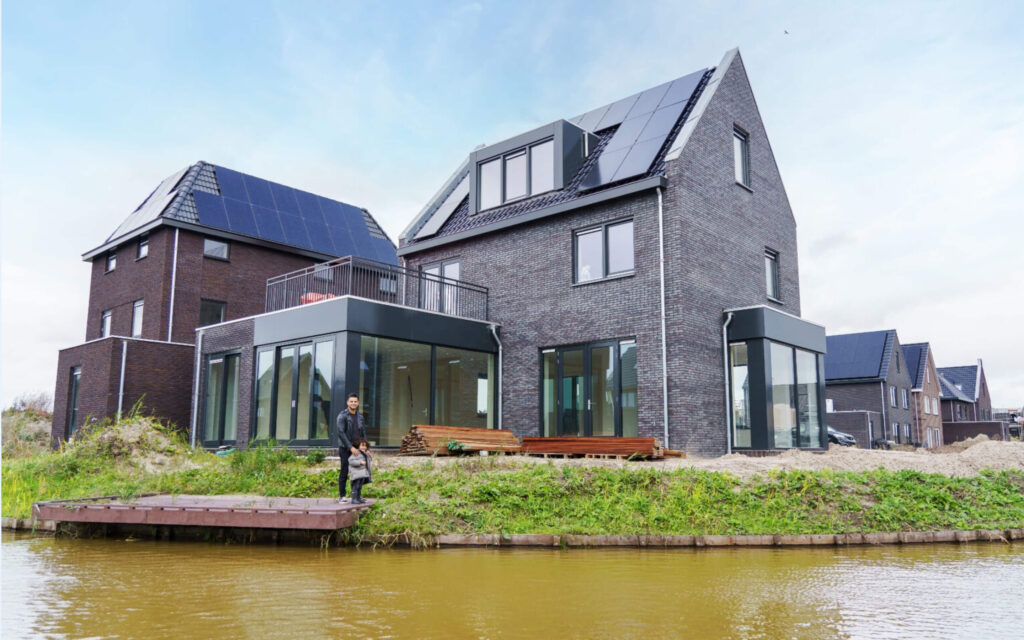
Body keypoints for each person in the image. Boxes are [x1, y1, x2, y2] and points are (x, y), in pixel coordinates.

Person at [336, 392, 367, 502]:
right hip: (345, 447)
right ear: (347, 402)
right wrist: (350, 447)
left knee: (359, 471)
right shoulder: (342, 416)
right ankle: (342, 496)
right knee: (344, 470)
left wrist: (365, 447)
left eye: (355, 401)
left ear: (358, 403)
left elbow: (363, 432)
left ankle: (356, 496)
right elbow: (341, 433)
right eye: (351, 401)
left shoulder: (360, 417)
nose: (353, 403)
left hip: (358, 447)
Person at [347, 439, 372, 504]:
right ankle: (354, 498)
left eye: (365, 446)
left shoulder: (364, 453)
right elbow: (351, 461)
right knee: (356, 486)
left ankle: (358, 498)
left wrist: (369, 457)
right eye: (362, 446)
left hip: (362, 474)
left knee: (360, 486)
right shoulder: (356, 453)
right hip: (356, 474)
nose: (364, 447)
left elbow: (367, 461)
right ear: (358, 446)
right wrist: (360, 462)